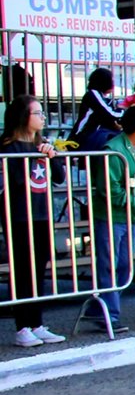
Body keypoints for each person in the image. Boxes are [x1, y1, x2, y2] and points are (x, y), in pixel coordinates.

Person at [2, 96, 67, 347]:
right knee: (22, 269)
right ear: (23, 117)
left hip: (41, 213)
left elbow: (59, 177)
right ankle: (22, 326)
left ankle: (37, 323)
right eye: (37, 113)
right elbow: (16, 179)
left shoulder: (42, 144)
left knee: (40, 266)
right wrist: (33, 156)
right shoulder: (9, 147)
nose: (42, 117)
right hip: (18, 215)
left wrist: (53, 156)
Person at [86, 105, 135, 332]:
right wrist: (134, 202)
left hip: (130, 216)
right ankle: (110, 315)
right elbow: (109, 187)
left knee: (125, 265)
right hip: (111, 216)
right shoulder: (113, 150)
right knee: (109, 264)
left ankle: (98, 308)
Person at [70, 67, 123, 151]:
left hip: (94, 138)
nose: (113, 84)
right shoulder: (93, 94)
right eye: (111, 81)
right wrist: (125, 110)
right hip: (82, 137)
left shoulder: (105, 99)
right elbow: (110, 113)